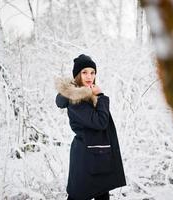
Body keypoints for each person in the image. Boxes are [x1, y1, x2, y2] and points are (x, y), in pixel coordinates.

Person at [55, 54, 126, 200]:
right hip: (86, 160)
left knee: (101, 194)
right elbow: (100, 122)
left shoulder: (89, 95)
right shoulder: (76, 99)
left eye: (92, 72)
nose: (89, 76)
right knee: (78, 196)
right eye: (84, 72)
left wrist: (97, 97)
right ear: (77, 76)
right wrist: (101, 96)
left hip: (98, 157)